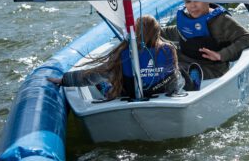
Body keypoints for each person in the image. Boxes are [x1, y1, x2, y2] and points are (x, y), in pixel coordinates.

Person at [47, 15, 184, 99]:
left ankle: (104, 87)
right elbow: (174, 79)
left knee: (104, 80)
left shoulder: (125, 51)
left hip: (129, 96)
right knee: (181, 76)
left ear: (134, 32)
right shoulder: (168, 50)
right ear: (157, 32)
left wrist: (64, 80)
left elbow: (95, 74)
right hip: (161, 94)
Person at [162, 1, 249, 83]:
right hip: (183, 62)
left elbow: (248, 38)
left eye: (197, 1)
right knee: (164, 68)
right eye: (188, 2)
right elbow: (169, 32)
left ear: (207, 0)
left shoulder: (221, 20)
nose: (192, 6)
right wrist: (149, 29)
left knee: (181, 73)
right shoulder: (185, 18)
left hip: (211, 68)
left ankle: (186, 81)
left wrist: (221, 54)